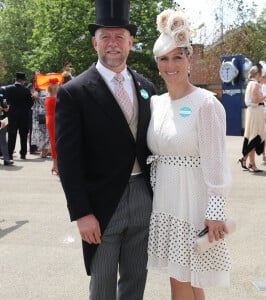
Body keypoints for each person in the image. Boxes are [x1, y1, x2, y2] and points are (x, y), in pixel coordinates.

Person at [55, 0, 155, 299]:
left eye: (119, 37)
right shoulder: (75, 92)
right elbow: (68, 161)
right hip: (100, 204)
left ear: (130, 42)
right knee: (102, 284)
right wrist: (82, 213)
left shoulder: (146, 86)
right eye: (106, 37)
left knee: (136, 279)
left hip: (143, 196)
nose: (113, 44)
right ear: (94, 42)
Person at [146, 9, 232, 300]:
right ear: (157, 62)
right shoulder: (156, 103)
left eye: (177, 57)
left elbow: (216, 163)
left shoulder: (205, 104)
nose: (171, 65)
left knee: (180, 280)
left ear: (189, 59)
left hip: (192, 204)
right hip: (166, 201)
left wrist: (216, 212)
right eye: (164, 58)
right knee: (189, 280)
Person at [238, 64, 266, 172]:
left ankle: (250, 162)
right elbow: (255, 99)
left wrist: (264, 99)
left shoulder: (251, 83)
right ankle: (247, 161)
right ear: (257, 74)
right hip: (255, 112)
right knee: (255, 137)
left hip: (254, 111)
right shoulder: (254, 84)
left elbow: (256, 99)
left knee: (253, 137)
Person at [4, 72, 33, 160]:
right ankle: (23, 154)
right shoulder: (26, 90)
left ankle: (9, 154)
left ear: (16, 79)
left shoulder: (8, 88)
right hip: (23, 116)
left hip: (12, 115)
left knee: (12, 135)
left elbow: (5, 101)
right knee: (23, 135)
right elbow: (30, 104)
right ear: (22, 81)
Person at [44, 79, 59, 174]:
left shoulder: (48, 97)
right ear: (54, 89)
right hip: (55, 120)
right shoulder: (54, 99)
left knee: (53, 142)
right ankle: (55, 165)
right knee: (56, 143)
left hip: (49, 119)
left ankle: (55, 165)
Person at [31, 88, 50, 158]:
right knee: (42, 133)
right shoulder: (38, 91)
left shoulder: (46, 90)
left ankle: (45, 151)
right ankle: (44, 151)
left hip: (43, 114)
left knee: (44, 133)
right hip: (40, 115)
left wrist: (38, 98)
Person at [0, 88, 14, 165]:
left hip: (4, 118)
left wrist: (7, 106)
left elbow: (7, 101)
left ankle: (6, 159)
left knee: (3, 140)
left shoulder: (3, 90)